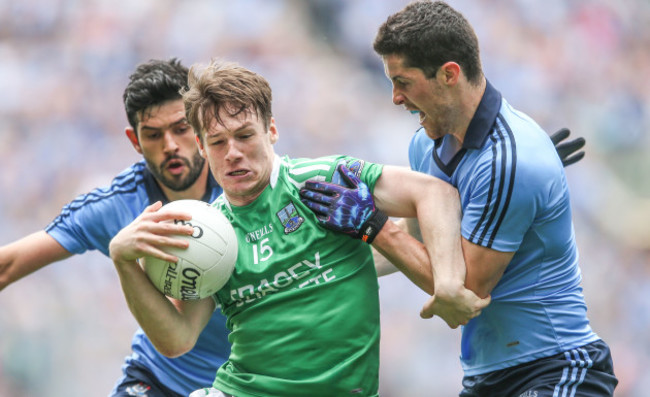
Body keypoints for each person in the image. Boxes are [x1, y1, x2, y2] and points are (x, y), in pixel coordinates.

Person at [108, 58, 494, 397]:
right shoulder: (209, 232)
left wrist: (446, 284)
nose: (233, 153)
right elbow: (177, 339)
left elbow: (433, 193)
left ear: (271, 130)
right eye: (218, 142)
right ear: (201, 147)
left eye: (245, 136)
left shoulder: (325, 181)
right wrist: (124, 261)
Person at [305, 1, 618, 396]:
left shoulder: (509, 160)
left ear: (449, 74)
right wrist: (316, 269)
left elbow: (465, 291)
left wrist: (373, 226)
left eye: (403, 81)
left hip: (554, 368)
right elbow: (417, 243)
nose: (395, 98)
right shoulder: (426, 145)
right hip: (486, 378)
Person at [0, 58, 231, 397]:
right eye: (153, 135)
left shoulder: (242, 188)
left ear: (200, 126)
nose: (169, 145)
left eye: (180, 128)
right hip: (159, 380)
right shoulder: (115, 206)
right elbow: (8, 265)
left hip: (248, 380)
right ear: (134, 141)